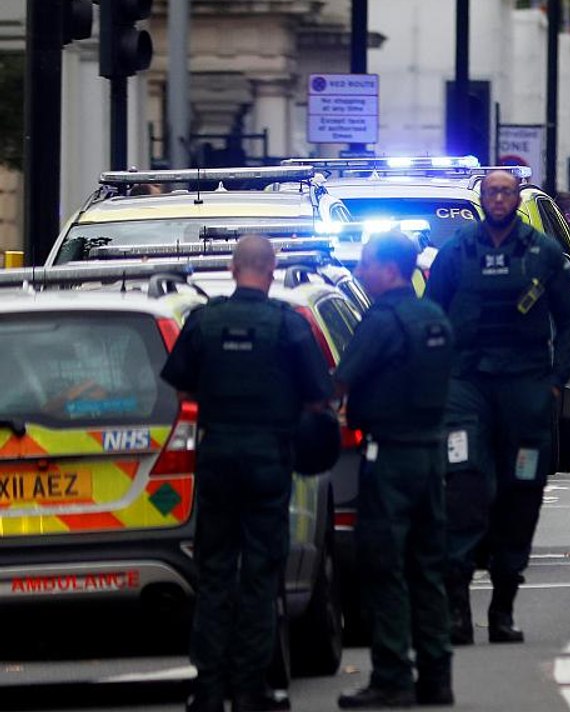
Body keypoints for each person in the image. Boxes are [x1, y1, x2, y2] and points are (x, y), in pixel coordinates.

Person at [161, 236, 333, 712]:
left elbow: (180, 387)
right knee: (260, 574)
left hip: (217, 457)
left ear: (235, 269)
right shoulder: (289, 327)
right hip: (268, 460)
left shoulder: (204, 321)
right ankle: (251, 686)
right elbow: (319, 398)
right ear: (272, 269)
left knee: (215, 572)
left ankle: (209, 688)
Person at [426, 170, 570, 646]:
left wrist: (556, 382)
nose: (498, 198)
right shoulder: (455, 252)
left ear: (518, 199)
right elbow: (433, 315)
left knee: (521, 490)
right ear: (482, 198)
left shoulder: (542, 252)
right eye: (491, 191)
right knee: (465, 486)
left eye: (506, 192)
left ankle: (503, 606)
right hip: (468, 386)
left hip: (524, 387)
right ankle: (457, 604)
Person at [335, 232, 455, 708]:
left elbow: (344, 377)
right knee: (427, 569)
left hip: (389, 457)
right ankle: (436, 675)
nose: (362, 273)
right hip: (430, 454)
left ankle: (391, 677)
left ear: (388, 268)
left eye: (367, 264)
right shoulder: (435, 318)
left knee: (385, 568)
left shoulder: (381, 319)